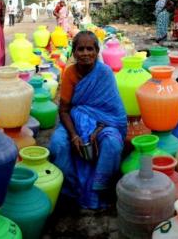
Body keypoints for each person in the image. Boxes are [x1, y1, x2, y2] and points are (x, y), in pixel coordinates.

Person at [49, 31, 127, 209]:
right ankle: (71, 189)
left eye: (90, 48)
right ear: (74, 52)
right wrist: (74, 135)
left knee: (112, 143)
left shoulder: (105, 73)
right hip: (74, 121)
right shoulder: (69, 73)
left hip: (104, 123)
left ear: (97, 51)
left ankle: (99, 189)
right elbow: (64, 110)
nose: (85, 53)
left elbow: (113, 113)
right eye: (80, 49)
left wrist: (97, 130)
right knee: (58, 144)